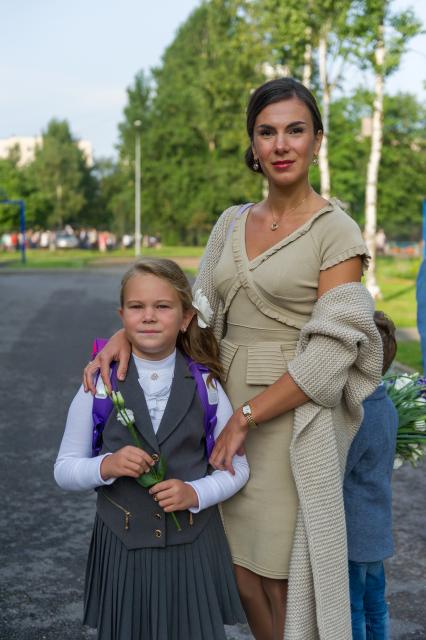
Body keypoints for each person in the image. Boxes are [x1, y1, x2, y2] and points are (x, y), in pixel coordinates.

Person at [84, 78, 383, 640]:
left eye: (296, 130)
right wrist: (124, 334)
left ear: (317, 140)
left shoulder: (336, 231)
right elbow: (194, 307)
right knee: (236, 565)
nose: (282, 144)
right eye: (267, 132)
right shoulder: (230, 222)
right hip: (216, 402)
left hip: (292, 412)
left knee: (278, 574)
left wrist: (249, 418)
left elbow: (330, 354)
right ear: (253, 144)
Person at [55, 258, 249, 640]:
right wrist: (106, 466)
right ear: (121, 316)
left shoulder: (207, 386)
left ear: (186, 318)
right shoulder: (98, 384)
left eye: (162, 307)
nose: (149, 317)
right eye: (136, 307)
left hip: (192, 547)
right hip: (124, 548)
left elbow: (237, 467)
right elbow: (64, 468)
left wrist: (196, 492)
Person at [344, 311, 398, 640]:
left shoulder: (360, 415)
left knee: (351, 606)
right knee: (376, 603)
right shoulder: (387, 405)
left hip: (354, 533)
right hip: (377, 529)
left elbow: (340, 470)